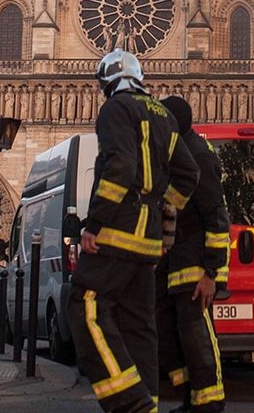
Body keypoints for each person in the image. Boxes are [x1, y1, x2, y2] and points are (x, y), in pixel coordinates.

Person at [69, 50, 201, 413]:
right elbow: (189, 175)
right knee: (140, 326)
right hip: (148, 241)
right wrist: (165, 214)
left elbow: (122, 167)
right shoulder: (165, 116)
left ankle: (130, 403)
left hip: (117, 231)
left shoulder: (116, 109)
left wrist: (94, 223)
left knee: (86, 305)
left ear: (107, 82)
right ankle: (149, 403)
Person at [157, 96, 230, 413]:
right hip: (177, 262)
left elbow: (217, 216)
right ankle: (191, 395)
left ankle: (210, 402)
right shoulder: (179, 153)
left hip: (197, 266)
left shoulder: (198, 157)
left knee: (196, 334)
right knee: (171, 333)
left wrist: (211, 273)